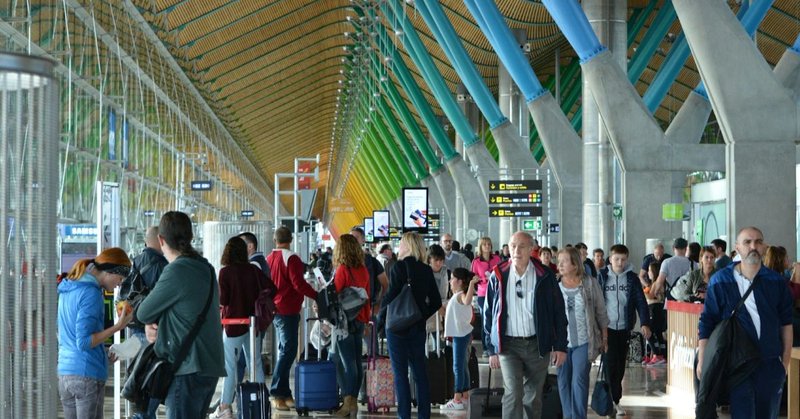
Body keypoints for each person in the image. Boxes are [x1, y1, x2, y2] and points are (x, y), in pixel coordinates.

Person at [697, 227, 793, 419]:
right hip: (737, 363)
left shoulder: (776, 282)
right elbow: (707, 322)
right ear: (737, 248)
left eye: (758, 242)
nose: (753, 246)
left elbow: (786, 323)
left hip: (769, 363)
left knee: (768, 414)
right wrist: (702, 361)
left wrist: (784, 363)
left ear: (764, 247)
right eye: (747, 242)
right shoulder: (720, 281)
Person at [138, 211, 225, 419]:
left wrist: (151, 323)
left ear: (161, 240)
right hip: (210, 365)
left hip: (188, 366)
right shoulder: (206, 268)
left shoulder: (176, 270)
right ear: (191, 237)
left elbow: (143, 312)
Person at [483, 231, 568, 419]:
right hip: (508, 345)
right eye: (513, 246)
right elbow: (488, 314)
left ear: (532, 249)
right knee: (513, 393)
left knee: (533, 396)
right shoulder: (498, 275)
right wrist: (491, 349)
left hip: (537, 344)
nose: (516, 251)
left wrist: (560, 346)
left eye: (522, 246)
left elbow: (558, 312)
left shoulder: (544, 275)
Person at [58, 247, 134, 419]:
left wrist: (102, 354)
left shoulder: (68, 288)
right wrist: (118, 326)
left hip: (65, 372)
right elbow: (84, 342)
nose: (119, 284)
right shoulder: (91, 293)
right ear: (109, 272)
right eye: (120, 278)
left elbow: (68, 334)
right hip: (86, 375)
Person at [381, 232, 442, 419]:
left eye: (401, 244)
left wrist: (379, 316)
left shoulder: (399, 267)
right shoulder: (426, 270)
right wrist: (421, 315)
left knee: (400, 374)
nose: (398, 247)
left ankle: (404, 415)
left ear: (407, 246)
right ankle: (424, 415)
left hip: (396, 328)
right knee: (420, 373)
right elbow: (436, 301)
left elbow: (390, 296)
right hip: (417, 328)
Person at [212, 237, 273, 419]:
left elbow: (223, 300)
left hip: (233, 326)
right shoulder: (253, 270)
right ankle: (261, 402)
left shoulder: (225, 272)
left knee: (230, 367)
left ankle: (225, 407)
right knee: (256, 363)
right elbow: (272, 288)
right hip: (253, 325)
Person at [266, 226, 318, 411]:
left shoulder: (269, 258)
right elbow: (298, 284)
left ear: (275, 240)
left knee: (284, 350)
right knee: (288, 351)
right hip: (287, 309)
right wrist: (317, 295)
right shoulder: (292, 258)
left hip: (275, 309)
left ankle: (285, 393)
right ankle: (276, 393)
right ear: (291, 239)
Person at [597, 244, 651, 416]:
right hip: (607, 329)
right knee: (610, 364)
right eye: (616, 259)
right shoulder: (602, 277)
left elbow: (640, 301)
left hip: (624, 328)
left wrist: (645, 323)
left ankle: (615, 400)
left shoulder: (632, 279)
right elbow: (595, 302)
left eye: (623, 259)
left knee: (620, 366)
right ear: (610, 260)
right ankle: (612, 401)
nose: (620, 263)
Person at [555, 247, 609, 419]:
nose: (560, 265)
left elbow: (601, 312)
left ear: (575, 264)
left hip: (584, 341)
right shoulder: (554, 286)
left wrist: (604, 338)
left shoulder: (590, 284)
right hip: (561, 344)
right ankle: (568, 415)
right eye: (559, 261)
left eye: (564, 261)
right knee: (563, 381)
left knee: (579, 380)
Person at [123, 226, 168, 419]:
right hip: (153, 331)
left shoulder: (136, 261)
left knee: (139, 381)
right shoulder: (161, 265)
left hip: (135, 329)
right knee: (151, 386)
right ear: (159, 240)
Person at [329, 234, 371, 417]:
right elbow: (367, 297)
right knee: (355, 361)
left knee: (347, 362)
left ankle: (347, 403)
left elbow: (334, 295)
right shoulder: (363, 270)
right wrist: (366, 319)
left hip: (344, 322)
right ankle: (352, 402)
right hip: (359, 319)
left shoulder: (343, 270)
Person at [440, 268, 479, 411]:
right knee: (462, 366)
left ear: (460, 281)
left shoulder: (461, 295)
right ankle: (465, 396)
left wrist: (471, 285)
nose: (450, 281)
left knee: (457, 366)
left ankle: (457, 398)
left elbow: (467, 301)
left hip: (460, 336)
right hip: (461, 334)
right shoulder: (457, 296)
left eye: (452, 278)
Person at [471, 237, 502, 356]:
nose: (487, 246)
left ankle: (496, 345)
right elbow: (473, 277)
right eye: (484, 244)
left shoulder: (497, 259)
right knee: (485, 319)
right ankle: (486, 347)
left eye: (489, 244)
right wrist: (483, 279)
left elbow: (501, 273)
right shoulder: (476, 262)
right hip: (483, 293)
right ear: (480, 246)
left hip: (496, 292)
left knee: (496, 318)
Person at [351, 227, 388, 317]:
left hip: (368, 309)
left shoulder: (372, 262)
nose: (353, 240)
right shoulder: (343, 262)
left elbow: (386, 284)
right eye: (351, 238)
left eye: (356, 237)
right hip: (348, 311)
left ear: (363, 240)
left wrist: (379, 304)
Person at [642, 261, 667, 366]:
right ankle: (661, 355)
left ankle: (658, 354)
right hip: (657, 309)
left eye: (650, 270)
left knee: (650, 332)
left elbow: (651, 296)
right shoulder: (654, 283)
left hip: (655, 308)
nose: (648, 273)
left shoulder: (657, 283)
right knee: (658, 333)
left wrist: (643, 292)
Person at [426, 244, 449, 336]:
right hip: (428, 310)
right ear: (429, 259)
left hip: (443, 309)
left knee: (440, 340)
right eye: (436, 260)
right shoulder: (424, 272)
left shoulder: (446, 271)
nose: (439, 263)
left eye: (441, 260)